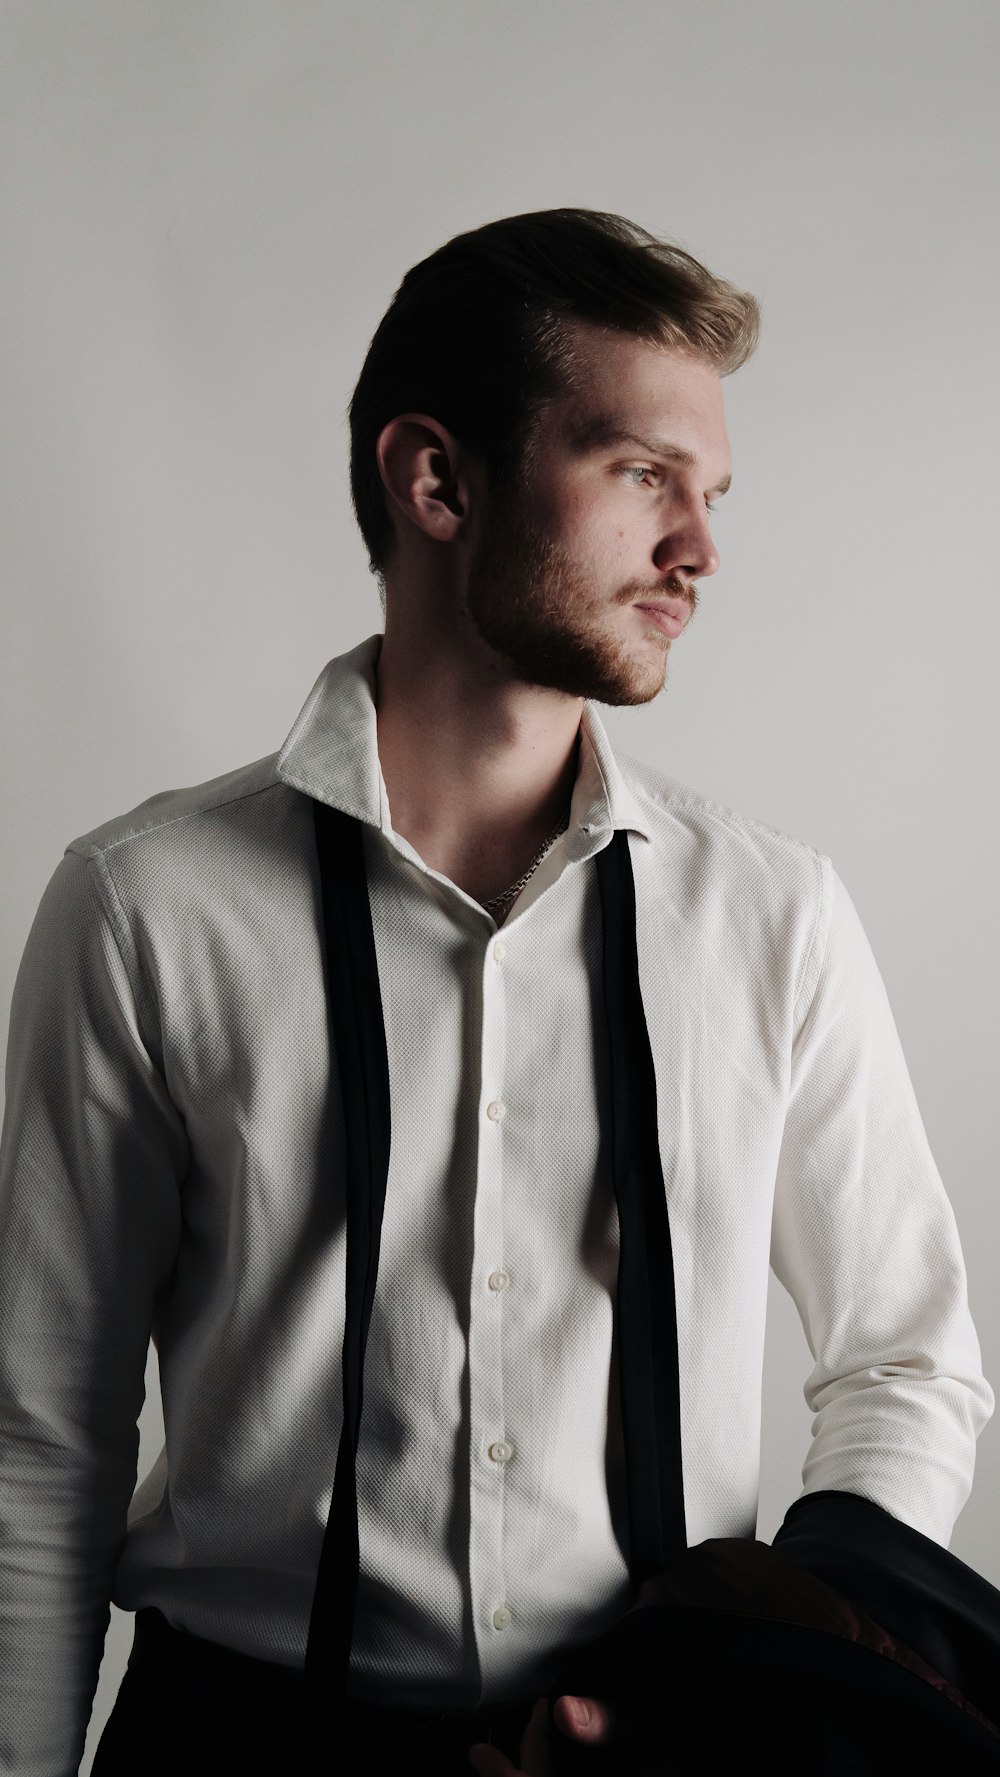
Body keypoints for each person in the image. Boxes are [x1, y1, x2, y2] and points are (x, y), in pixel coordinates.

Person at [1, 208, 997, 1777]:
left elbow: (906, 1355)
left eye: (712, 491)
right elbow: (41, 1437)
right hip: (236, 1746)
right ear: (438, 479)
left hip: (652, 1753)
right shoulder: (146, 909)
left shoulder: (772, 914)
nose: (701, 549)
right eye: (642, 474)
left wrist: (766, 1668)